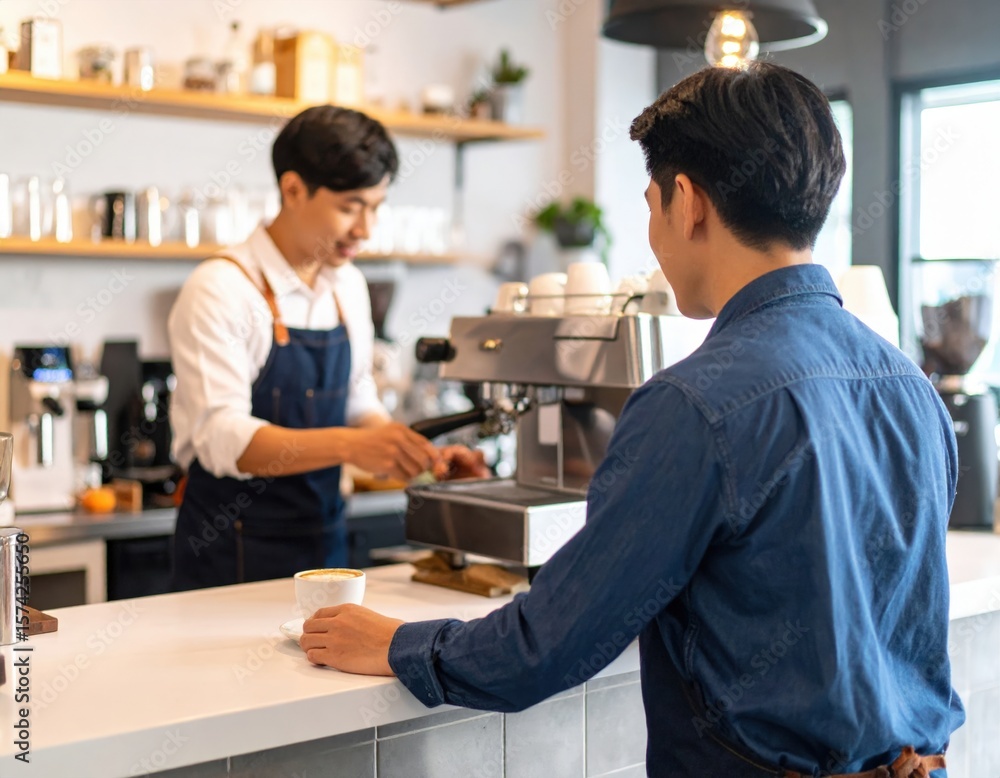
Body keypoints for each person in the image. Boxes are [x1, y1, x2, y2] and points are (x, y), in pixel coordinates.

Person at [296, 64, 965, 776]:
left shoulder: (694, 404)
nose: (652, 231)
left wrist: (397, 644)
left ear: (687, 202)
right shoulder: (909, 384)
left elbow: (547, 645)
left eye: (650, 203)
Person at [169, 106, 486, 591]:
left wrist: (415, 454)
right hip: (232, 555)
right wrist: (355, 445)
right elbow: (223, 437)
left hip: (325, 547)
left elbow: (358, 405)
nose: (365, 228)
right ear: (293, 189)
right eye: (350, 206)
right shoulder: (222, 288)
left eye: (376, 206)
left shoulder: (348, 288)